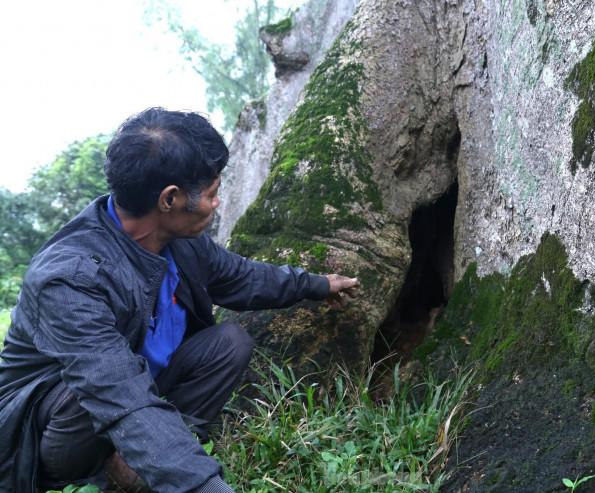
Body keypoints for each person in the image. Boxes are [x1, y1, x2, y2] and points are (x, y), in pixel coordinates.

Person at [0, 107, 360, 493]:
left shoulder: (182, 243)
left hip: (136, 392)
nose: (216, 204)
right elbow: (117, 394)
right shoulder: (69, 277)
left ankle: (149, 458)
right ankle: (104, 475)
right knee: (85, 393)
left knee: (229, 343)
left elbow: (240, 276)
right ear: (169, 199)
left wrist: (317, 284)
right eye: (211, 193)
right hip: (55, 428)